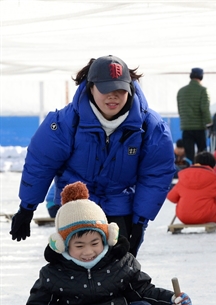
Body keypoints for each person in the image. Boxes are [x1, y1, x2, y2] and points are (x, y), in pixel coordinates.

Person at [2, 182, 192, 305]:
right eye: (79, 245)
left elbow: (145, 292)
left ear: (107, 237)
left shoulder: (122, 262)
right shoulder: (53, 273)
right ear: (63, 245)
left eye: (94, 243)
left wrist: (171, 303)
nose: (88, 252)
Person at [9, 55, 175, 257]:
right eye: (105, 89)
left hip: (119, 205)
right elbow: (41, 163)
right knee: (74, 267)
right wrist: (27, 207)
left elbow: (155, 175)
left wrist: (140, 222)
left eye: (120, 89)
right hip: (76, 207)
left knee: (120, 270)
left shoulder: (151, 127)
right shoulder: (65, 122)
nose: (113, 96)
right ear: (90, 87)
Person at [167, 151, 216, 225]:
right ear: (212, 165)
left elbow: (171, 197)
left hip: (183, 216)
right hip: (206, 216)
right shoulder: (213, 178)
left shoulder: (184, 177)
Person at [177, 67, 212, 164]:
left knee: (189, 155)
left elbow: (180, 110)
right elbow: (205, 109)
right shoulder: (203, 90)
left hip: (186, 127)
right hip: (199, 128)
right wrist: (209, 123)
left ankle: (189, 174)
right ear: (201, 77)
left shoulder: (181, 91)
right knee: (202, 154)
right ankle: (201, 174)